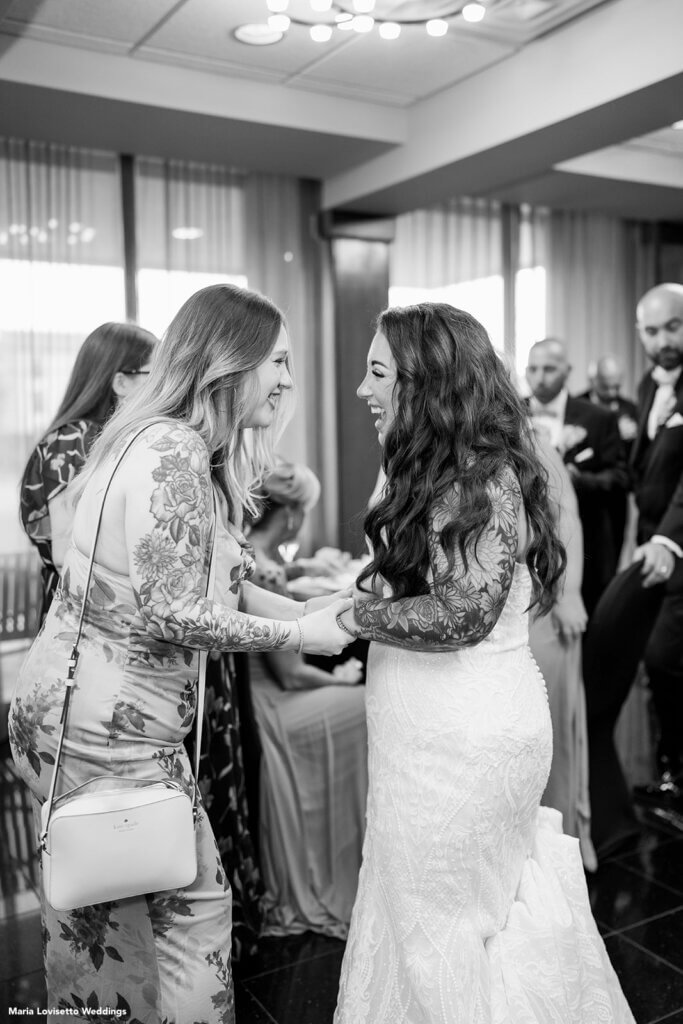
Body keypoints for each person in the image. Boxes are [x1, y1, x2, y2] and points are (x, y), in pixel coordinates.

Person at [8, 283, 354, 1022]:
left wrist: (305, 608)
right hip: (109, 734)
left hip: (76, 715)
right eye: (280, 361)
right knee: (190, 919)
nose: (289, 381)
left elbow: (209, 582)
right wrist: (299, 635)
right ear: (229, 362)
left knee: (103, 927)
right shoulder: (174, 449)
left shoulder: (143, 433)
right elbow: (171, 610)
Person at [334, 303, 634, 1023]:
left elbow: (461, 614)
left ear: (425, 381)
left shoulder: (480, 478)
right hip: (428, 734)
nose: (361, 389)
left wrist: (346, 617)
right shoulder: (436, 469)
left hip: (462, 744)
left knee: (446, 935)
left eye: (376, 372)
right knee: (420, 921)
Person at [246, 461, 368, 938]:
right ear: (293, 517)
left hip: (263, 695)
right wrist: (340, 680)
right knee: (361, 708)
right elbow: (293, 677)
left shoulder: (254, 556)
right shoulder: (265, 570)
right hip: (272, 706)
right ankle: (344, 859)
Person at [583, 282, 683, 852]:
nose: (662, 341)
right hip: (652, 549)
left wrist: (668, 538)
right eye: (651, 330)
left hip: (675, 549)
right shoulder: (649, 386)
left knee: (666, 657)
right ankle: (671, 774)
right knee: (659, 664)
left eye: (673, 327)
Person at [19, 321, 157, 620]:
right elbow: (65, 555)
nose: (163, 385)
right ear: (121, 382)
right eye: (154, 374)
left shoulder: (103, 438)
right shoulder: (72, 442)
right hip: (83, 615)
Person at [527, 426, 595, 870]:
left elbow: (565, 514)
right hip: (487, 615)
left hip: (540, 603)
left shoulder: (528, 440)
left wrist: (568, 592)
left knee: (551, 728)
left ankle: (568, 838)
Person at [525, 338, 628, 616]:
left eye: (549, 369)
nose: (539, 377)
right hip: (527, 543)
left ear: (567, 371)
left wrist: (575, 480)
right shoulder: (509, 413)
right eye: (532, 369)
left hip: (588, 540)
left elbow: (619, 477)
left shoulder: (599, 417)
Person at [577, 355, 638, 566]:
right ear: (592, 381)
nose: (612, 393)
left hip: (617, 492)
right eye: (606, 386)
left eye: (617, 387)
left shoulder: (629, 408)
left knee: (614, 551)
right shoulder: (579, 406)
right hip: (586, 494)